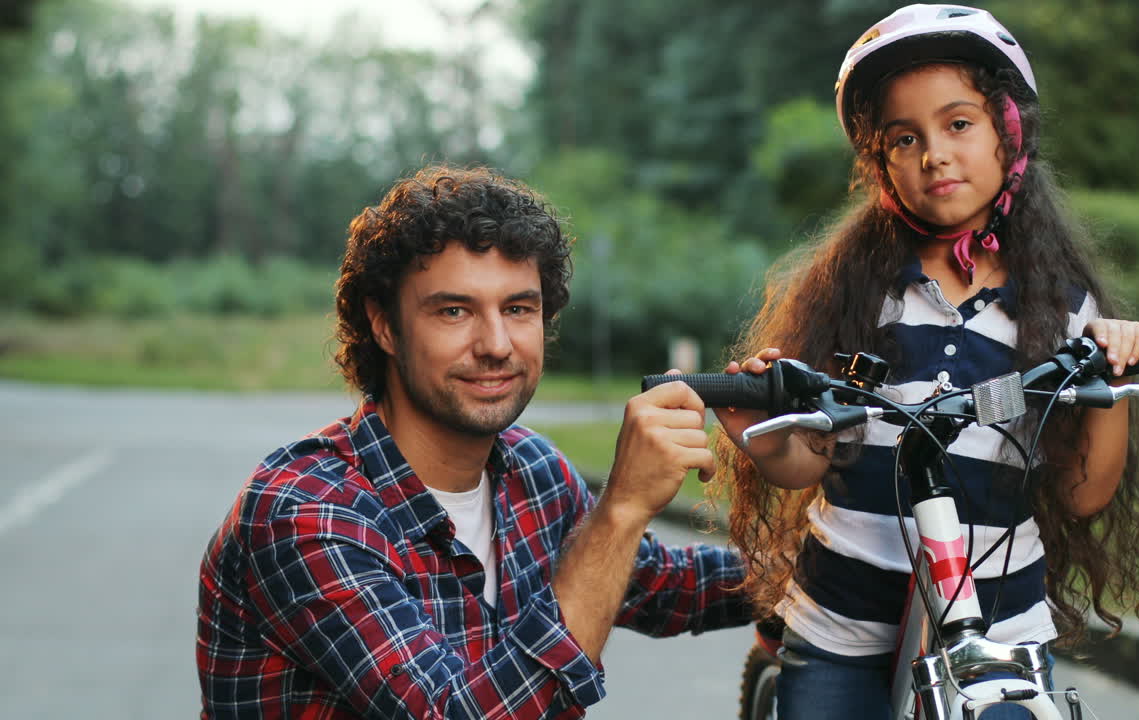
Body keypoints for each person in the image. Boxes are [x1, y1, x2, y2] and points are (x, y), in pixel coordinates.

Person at [712, 5, 1139, 719]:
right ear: (881, 162)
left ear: (1007, 131)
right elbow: (807, 463)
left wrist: (1107, 378)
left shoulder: (1063, 307)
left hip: (998, 610)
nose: (934, 154)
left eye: (959, 123)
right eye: (905, 138)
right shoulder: (853, 290)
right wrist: (760, 431)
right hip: (848, 607)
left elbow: (1084, 496)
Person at [195, 165, 750, 718]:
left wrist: (819, 526)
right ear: (384, 326)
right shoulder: (306, 512)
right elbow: (454, 711)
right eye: (454, 311)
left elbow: (669, 583)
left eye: (518, 309)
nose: (496, 344)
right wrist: (623, 506)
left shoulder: (532, 469)